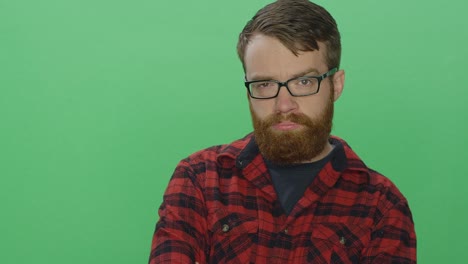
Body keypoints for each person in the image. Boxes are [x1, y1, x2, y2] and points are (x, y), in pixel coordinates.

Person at [149, 0, 417, 263]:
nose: (284, 104)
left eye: (304, 81)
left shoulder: (382, 207)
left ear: (336, 85)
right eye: (265, 84)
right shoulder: (199, 180)